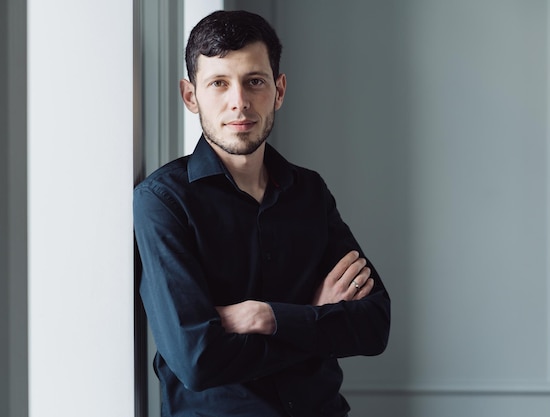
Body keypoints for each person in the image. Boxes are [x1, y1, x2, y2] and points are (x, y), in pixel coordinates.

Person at [134, 10, 391, 417]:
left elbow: (375, 325)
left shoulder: (309, 191)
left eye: (255, 81)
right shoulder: (163, 201)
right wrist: (314, 317)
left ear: (279, 90)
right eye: (219, 83)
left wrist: (266, 316)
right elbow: (197, 361)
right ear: (190, 96)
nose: (239, 102)